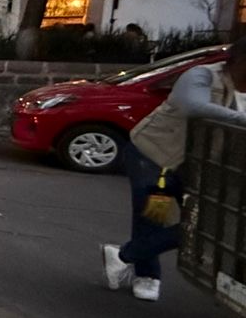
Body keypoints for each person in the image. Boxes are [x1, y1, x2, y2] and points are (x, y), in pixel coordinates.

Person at [102, 37, 246, 301]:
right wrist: (241, 118)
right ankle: (147, 275)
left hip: (194, 165)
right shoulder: (202, 76)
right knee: (153, 216)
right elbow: (193, 106)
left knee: (202, 225)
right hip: (154, 155)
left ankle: (123, 256)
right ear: (239, 61)